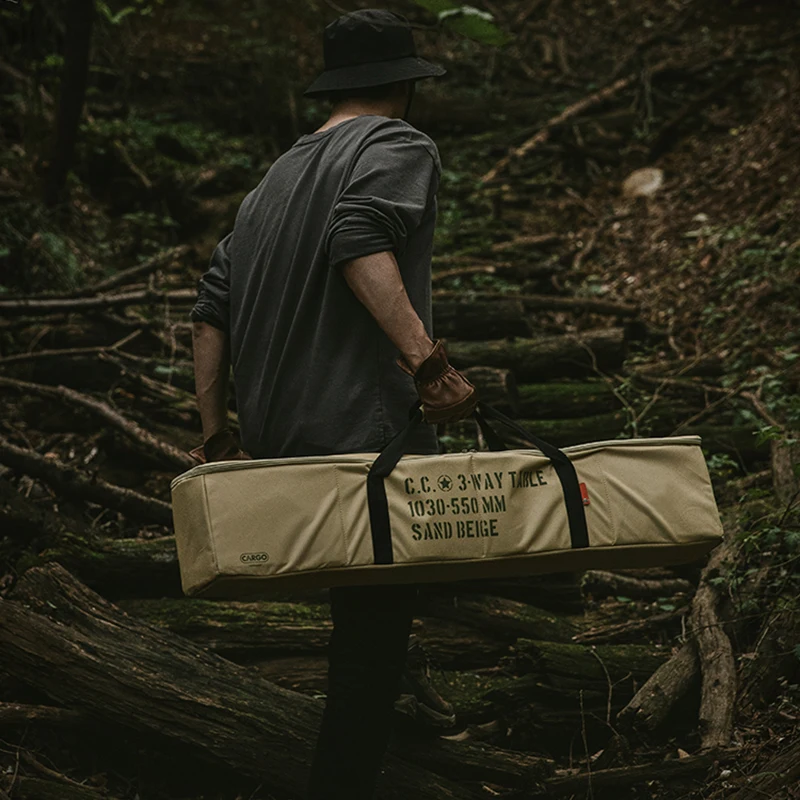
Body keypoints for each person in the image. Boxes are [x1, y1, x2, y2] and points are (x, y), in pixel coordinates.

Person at [188, 9, 477, 798]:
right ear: (405, 85)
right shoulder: (398, 144)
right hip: (368, 437)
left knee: (366, 631)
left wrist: (218, 437)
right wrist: (428, 366)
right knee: (370, 646)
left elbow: (210, 314)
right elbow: (359, 238)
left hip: (286, 444)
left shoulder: (273, 180)